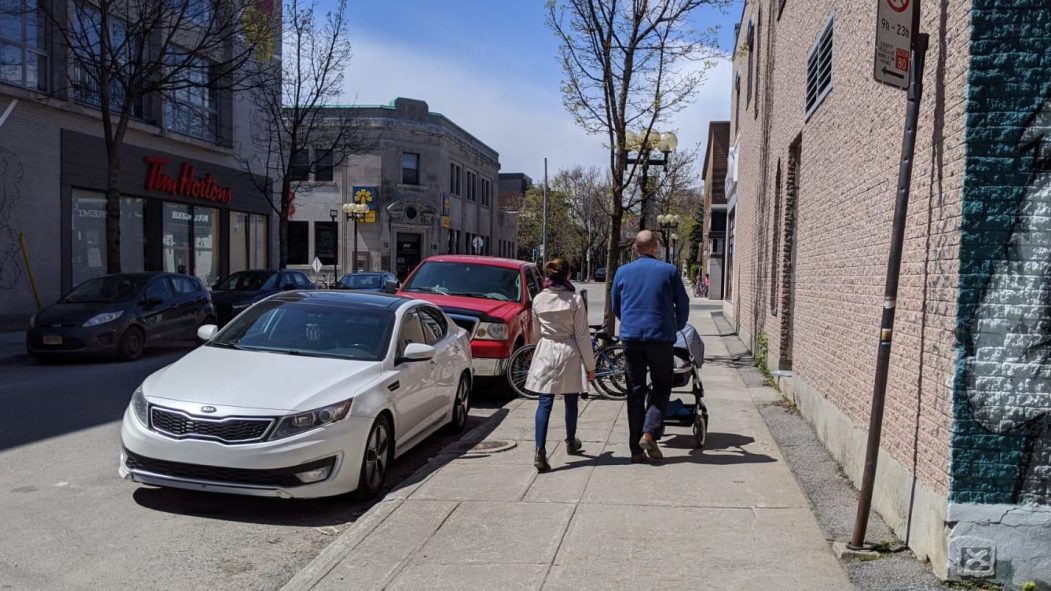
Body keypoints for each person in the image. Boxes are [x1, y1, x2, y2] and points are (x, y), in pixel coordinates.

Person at [611, 230, 690, 462]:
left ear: (635, 248)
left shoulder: (622, 272)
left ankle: (636, 450)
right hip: (660, 337)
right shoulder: (669, 271)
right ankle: (649, 432)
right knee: (662, 385)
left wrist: (628, 323)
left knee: (635, 391)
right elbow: (683, 304)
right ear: (656, 247)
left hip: (632, 338)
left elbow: (616, 305)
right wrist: (677, 326)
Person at [525, 258, 596, 472]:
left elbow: (536, 332)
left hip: (546, 349)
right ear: (567, 275)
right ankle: (571, 440)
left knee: (544, 401)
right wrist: (590, 366)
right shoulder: (574, 300)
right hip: (569, 349)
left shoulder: (538, 299)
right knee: (571, 398)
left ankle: (540, 450)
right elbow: (583, 336)